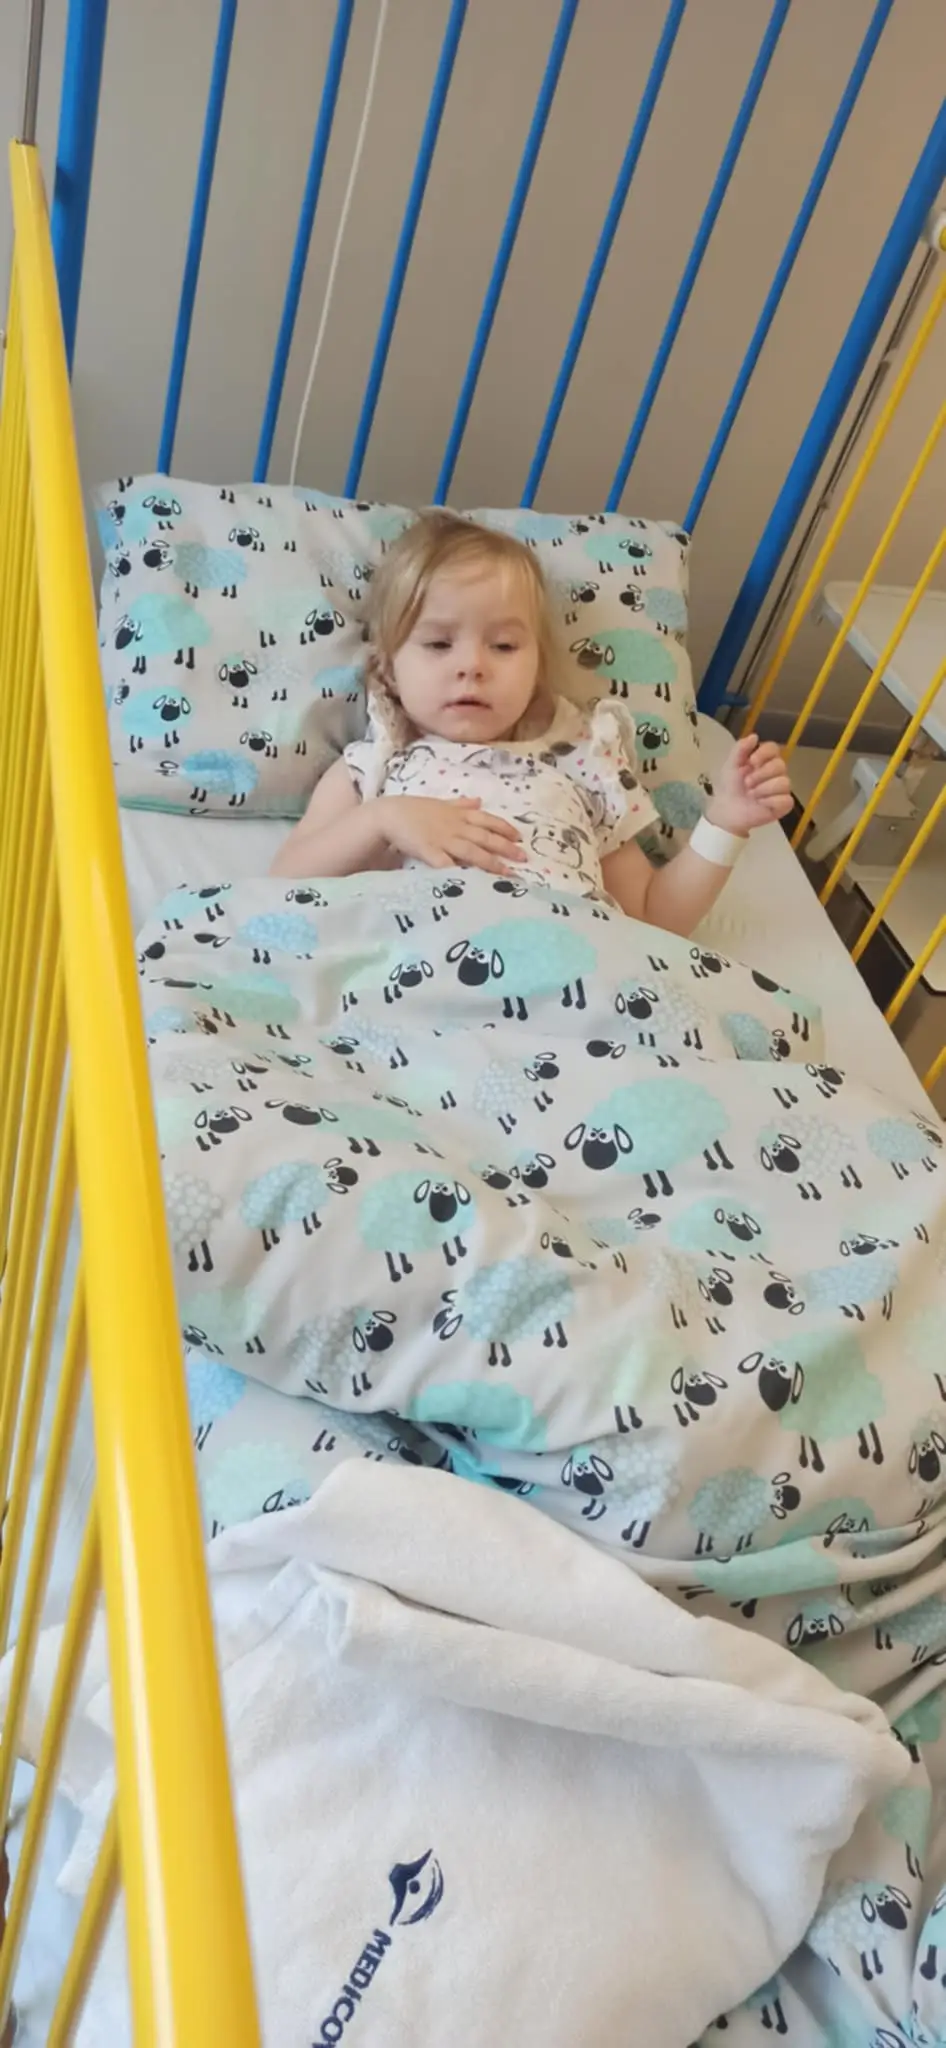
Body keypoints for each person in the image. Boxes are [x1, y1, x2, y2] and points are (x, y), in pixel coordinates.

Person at [271, 510, 792, 934]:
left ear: (537, 666)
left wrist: (724, 824)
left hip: (573, 972)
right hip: (420, 962)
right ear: (388, 669)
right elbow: (281, 886)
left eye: (503, 645)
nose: (472, 665)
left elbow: (653, 919)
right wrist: (383, 819)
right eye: (438, 643)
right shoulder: (373, 767)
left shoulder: (586, 766)